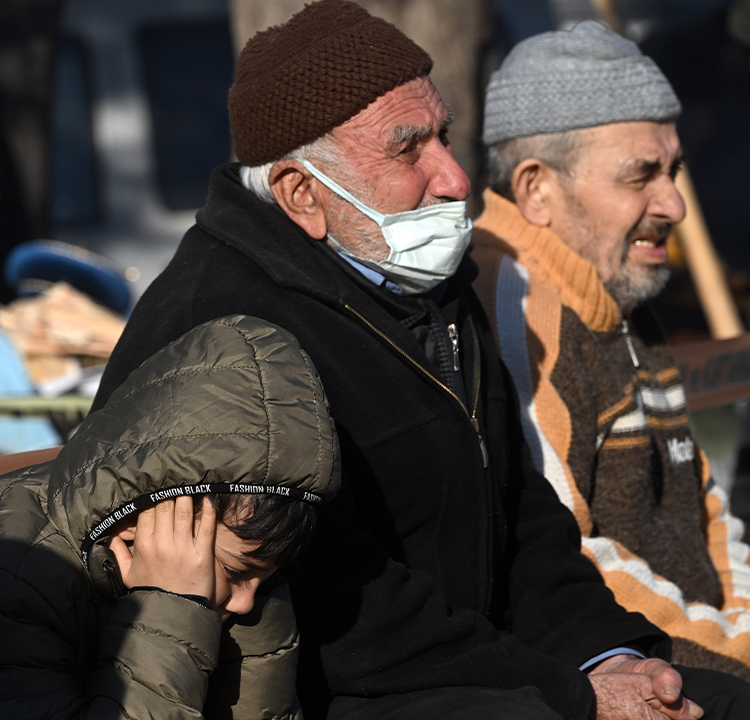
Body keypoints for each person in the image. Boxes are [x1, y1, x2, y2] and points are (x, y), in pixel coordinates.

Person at [92, 1, 750, 718]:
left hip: (487, 673)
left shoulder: (426, 286)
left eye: (445, 136)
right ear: (302, 194)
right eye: (409, 149)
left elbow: (521, 513)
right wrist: (574, 694)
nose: (455, 178)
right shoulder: (220, 330)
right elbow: (336, 606)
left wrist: (611, 655)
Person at [471, 22, 750, 682]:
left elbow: (702, 500)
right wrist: (735, 655)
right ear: (536, 189)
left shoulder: (618, 281)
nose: (674, 204)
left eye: (673, 171)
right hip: (639, 676)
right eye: (641, 175)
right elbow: (565, 554)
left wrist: (742, 628)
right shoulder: (512, 308)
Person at [0, 315, 338, 718]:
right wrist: (170, 609)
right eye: (237, 572)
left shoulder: (239, 579)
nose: (245, 603)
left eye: (263, 577)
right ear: (149, 515)